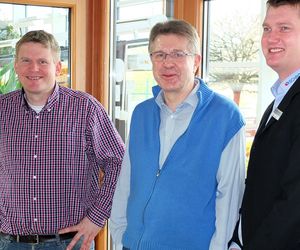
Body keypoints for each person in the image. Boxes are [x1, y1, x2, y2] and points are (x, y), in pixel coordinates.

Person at [110, 19, 246, 250]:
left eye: (178, 54)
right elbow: (126, 180)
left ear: (196, 62)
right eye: (160, 55)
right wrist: (120, 233)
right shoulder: (142, 113)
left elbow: (230, 197)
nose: (168, 63)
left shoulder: (225, 116)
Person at [0, 30, 125, 250]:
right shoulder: (2, 109)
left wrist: (97, 217)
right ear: (16, 66)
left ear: (57, 67)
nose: (34, 69)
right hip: (9, 242)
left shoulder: (86, 108)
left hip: (69, 243)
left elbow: (119, 162)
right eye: (26, 61)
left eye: (42, 61)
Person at [229, 1, 300, 249]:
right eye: (267, 28)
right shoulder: (277, 102)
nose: (271, 38)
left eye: (284, 28)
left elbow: (294, 204)